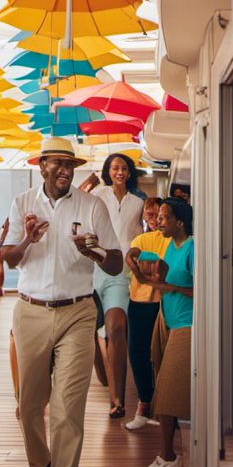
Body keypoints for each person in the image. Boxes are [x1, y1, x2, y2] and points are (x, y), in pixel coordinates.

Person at [1, 137, 122, 467]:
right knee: (28, 406)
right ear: (42, 167)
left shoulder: (93, 206)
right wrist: (27, 241)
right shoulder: (22, 204)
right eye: (57, 163)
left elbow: (117, 261)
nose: (65, 169)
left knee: (67, 411)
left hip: (78, 311)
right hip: (31, 310)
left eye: (70, 163)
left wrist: (95, 254)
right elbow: (9, 257)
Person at [133, 199, 195, 467]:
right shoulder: (171, 245)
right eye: (157, 216)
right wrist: (138, 267)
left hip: (187, 325)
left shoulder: (193, 247)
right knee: (164, 387)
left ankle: (168, 456)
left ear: (179, 222)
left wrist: (167, 286)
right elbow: (159, 275)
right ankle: (177, 452)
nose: (158, 221)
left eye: (164, 217)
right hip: (167, 320)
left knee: (168, 393)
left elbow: (201, 290)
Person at [87, 153, 147, 418]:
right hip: (93, 268)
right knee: (98, 329)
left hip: (121, 273)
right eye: (114, 168)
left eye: (124, 168)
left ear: (129, 172)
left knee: (116, 326)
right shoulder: (97, 194)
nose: (120, 172)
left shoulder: (140, 201)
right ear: (107, 171)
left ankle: (118, 400)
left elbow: (148, 229)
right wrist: (88, 184)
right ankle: (104, 368)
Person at [123, 197, 168, 430]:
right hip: (139, 301)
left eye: (158, 215)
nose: (153, 219)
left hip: (165, 302)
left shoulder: (174, 240)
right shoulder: (141, 238)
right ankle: (144, 406)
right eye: (149, 214)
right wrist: (132, 261)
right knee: (138, 353)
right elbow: (133, 252)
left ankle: (165, 410)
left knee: (163, 356)